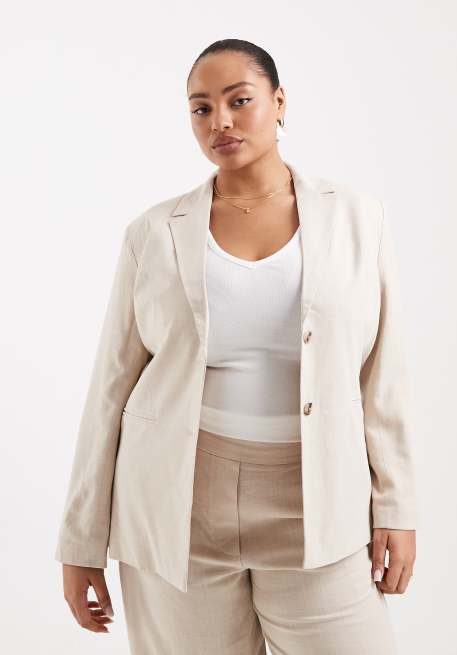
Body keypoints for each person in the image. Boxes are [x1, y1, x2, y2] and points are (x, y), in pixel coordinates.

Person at [55, 38, 418, 654]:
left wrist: (397, 508)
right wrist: (80, 540)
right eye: (201, 108)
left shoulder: (358, 220)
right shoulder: (153, 232)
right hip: (176, 502)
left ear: (279, 103)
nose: (219, 121)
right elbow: (110, 387)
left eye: (239, 100)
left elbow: (383, 379)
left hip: (319, 499)